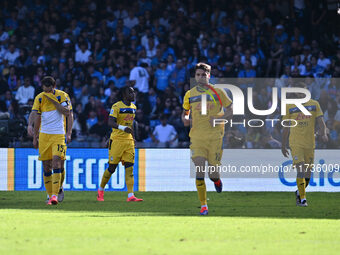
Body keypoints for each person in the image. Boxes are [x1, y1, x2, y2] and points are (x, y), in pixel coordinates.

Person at [182, 63, 233, 215]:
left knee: (212, 174)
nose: (200, 77)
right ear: (195, 76)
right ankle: (204, 206)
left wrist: (218, 118)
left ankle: (217, 181)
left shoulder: (218, 91)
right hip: (197, 138)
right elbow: (185, 112)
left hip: (215, 138)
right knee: (199, 168)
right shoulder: (190, 94)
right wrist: (185, 118)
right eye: (198, 75)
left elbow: (231, 109)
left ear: (209, 76)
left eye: (204, 75)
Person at [281, 82, 328, 207]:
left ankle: (299, 192)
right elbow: (285, 127)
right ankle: (303, 199)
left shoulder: (314, 104)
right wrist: (283, 144)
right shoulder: (290, 106)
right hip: (295, 143)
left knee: (307, 174)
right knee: (300, 170)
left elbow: (321, 122)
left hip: (310, 143)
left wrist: (324, 133)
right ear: (296, 93)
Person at [97, 86, 143, 202]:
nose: (133, 94)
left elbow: (130, 125)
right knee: (112, 168)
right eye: (130, 92)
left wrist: (133, 138)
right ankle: (100, 190)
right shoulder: (116, 106)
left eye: (133, 92)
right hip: (117, 140)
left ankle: (131, 195)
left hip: (128, 141)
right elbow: (110, 122)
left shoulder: (133, 107)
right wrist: (123, 128)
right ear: (124, 94)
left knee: (129, 169)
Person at [31, 76, 72, 205]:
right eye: (45, 89)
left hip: (59, 134)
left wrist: (69, 133)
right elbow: (36, 116)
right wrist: (35, 135)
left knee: (57, 162)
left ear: (54, 87)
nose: (46, 92)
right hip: (44, 136)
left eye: (49, 89)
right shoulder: (39, 98)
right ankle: (50, 195)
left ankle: (55, 194)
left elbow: (67, 112)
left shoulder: (62, 96)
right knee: (46, 165)